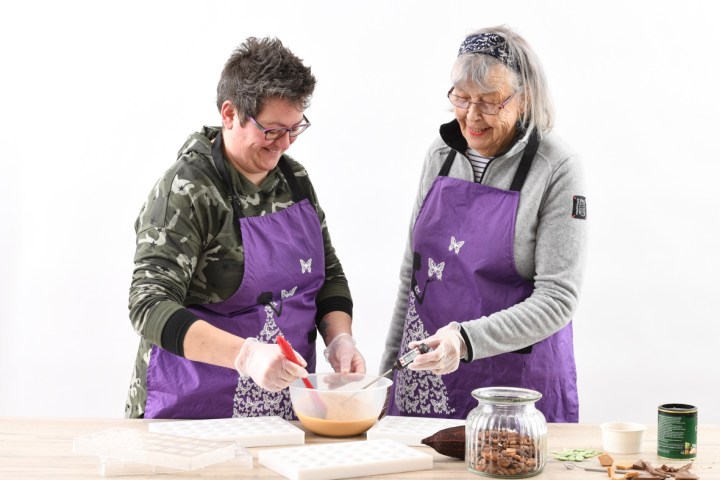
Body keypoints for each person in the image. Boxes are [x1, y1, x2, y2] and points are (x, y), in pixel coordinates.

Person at [125, 37, 365, 419]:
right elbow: (148, 305)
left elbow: (328, 275)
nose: (284, 144)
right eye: (271, 130)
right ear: (229, 113)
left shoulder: (294, 180)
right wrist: (246, 354)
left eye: (294, 129)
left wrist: (340, 339)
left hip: (282, 410)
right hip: (192, 411)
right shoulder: (187, 191)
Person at [380, 25, 587, 422]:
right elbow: (413, 276)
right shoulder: (440, 154)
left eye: (490, 102)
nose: (472, 116)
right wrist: (385, 378)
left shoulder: (557, 167)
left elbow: (558, 299)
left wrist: (465, 339)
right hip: (428, 375)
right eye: (462, 98)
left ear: (524, 99)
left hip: (514, 387)